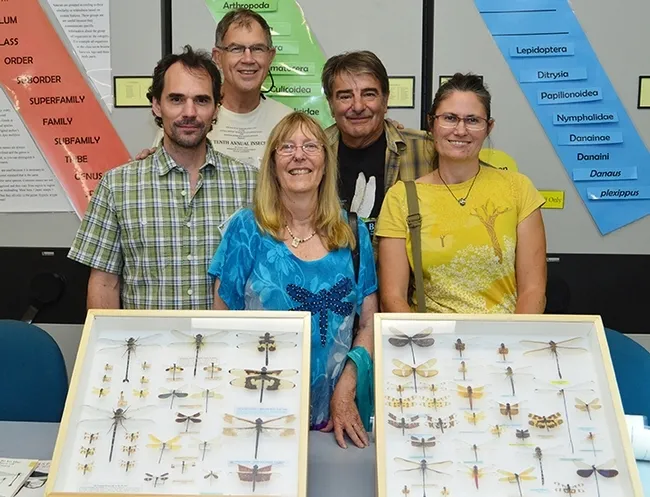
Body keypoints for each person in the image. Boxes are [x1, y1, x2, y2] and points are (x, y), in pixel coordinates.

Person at [208, 112, 378, 449]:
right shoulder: (246, 229)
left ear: (326, 163)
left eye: (311, 146)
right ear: (272, 164)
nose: (299, 155)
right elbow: (221, 324)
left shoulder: (354, 233)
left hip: (336, 420)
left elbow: (369, 325)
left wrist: (346, 388)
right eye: (286, 147)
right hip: (259, 413)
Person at [68, 45, 257, 310]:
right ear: (157, 105)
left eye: (201, 100)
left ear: (216, 108)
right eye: (176, 99)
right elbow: (104, 283)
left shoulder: (252, 184)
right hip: (146, 348)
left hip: (226, 347)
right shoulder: (117, 187)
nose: (189, 112)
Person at [376, 73, 547, 314]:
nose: (460, 130)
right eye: (449, 118)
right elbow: (393, 298)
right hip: (433, 342)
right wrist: (424, 344)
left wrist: (511, 343)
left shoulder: (517, 188)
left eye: (473, 120)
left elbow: (533, 290)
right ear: (431, 124)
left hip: (503, 343)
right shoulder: (401, 198)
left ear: (489, 128)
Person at [144, 9, 292, 167]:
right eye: (236, 49)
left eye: (257, 49)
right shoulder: (187, 120)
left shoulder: (287, 121)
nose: (248, 59)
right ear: (217, 57)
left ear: (270, 57)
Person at [322, 50, 433, 236]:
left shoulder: (426, 150)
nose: (357, 106)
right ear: (331, 105)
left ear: (385, 101)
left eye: (369, 94)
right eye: (345, 96)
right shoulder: (313, 152)